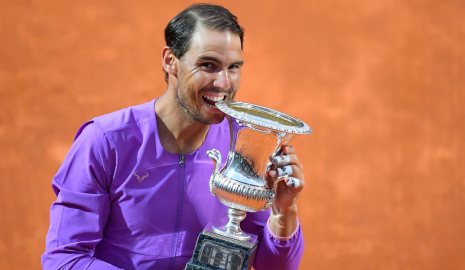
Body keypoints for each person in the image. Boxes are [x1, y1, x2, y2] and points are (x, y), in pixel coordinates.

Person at [42, 3, 305, 270]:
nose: (224, 83)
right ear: (171, 61)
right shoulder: (105, 141)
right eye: (208, 65)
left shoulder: (244, 142)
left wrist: (284, 211)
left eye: (233, 67)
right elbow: (64, 259)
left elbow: (273, 266)